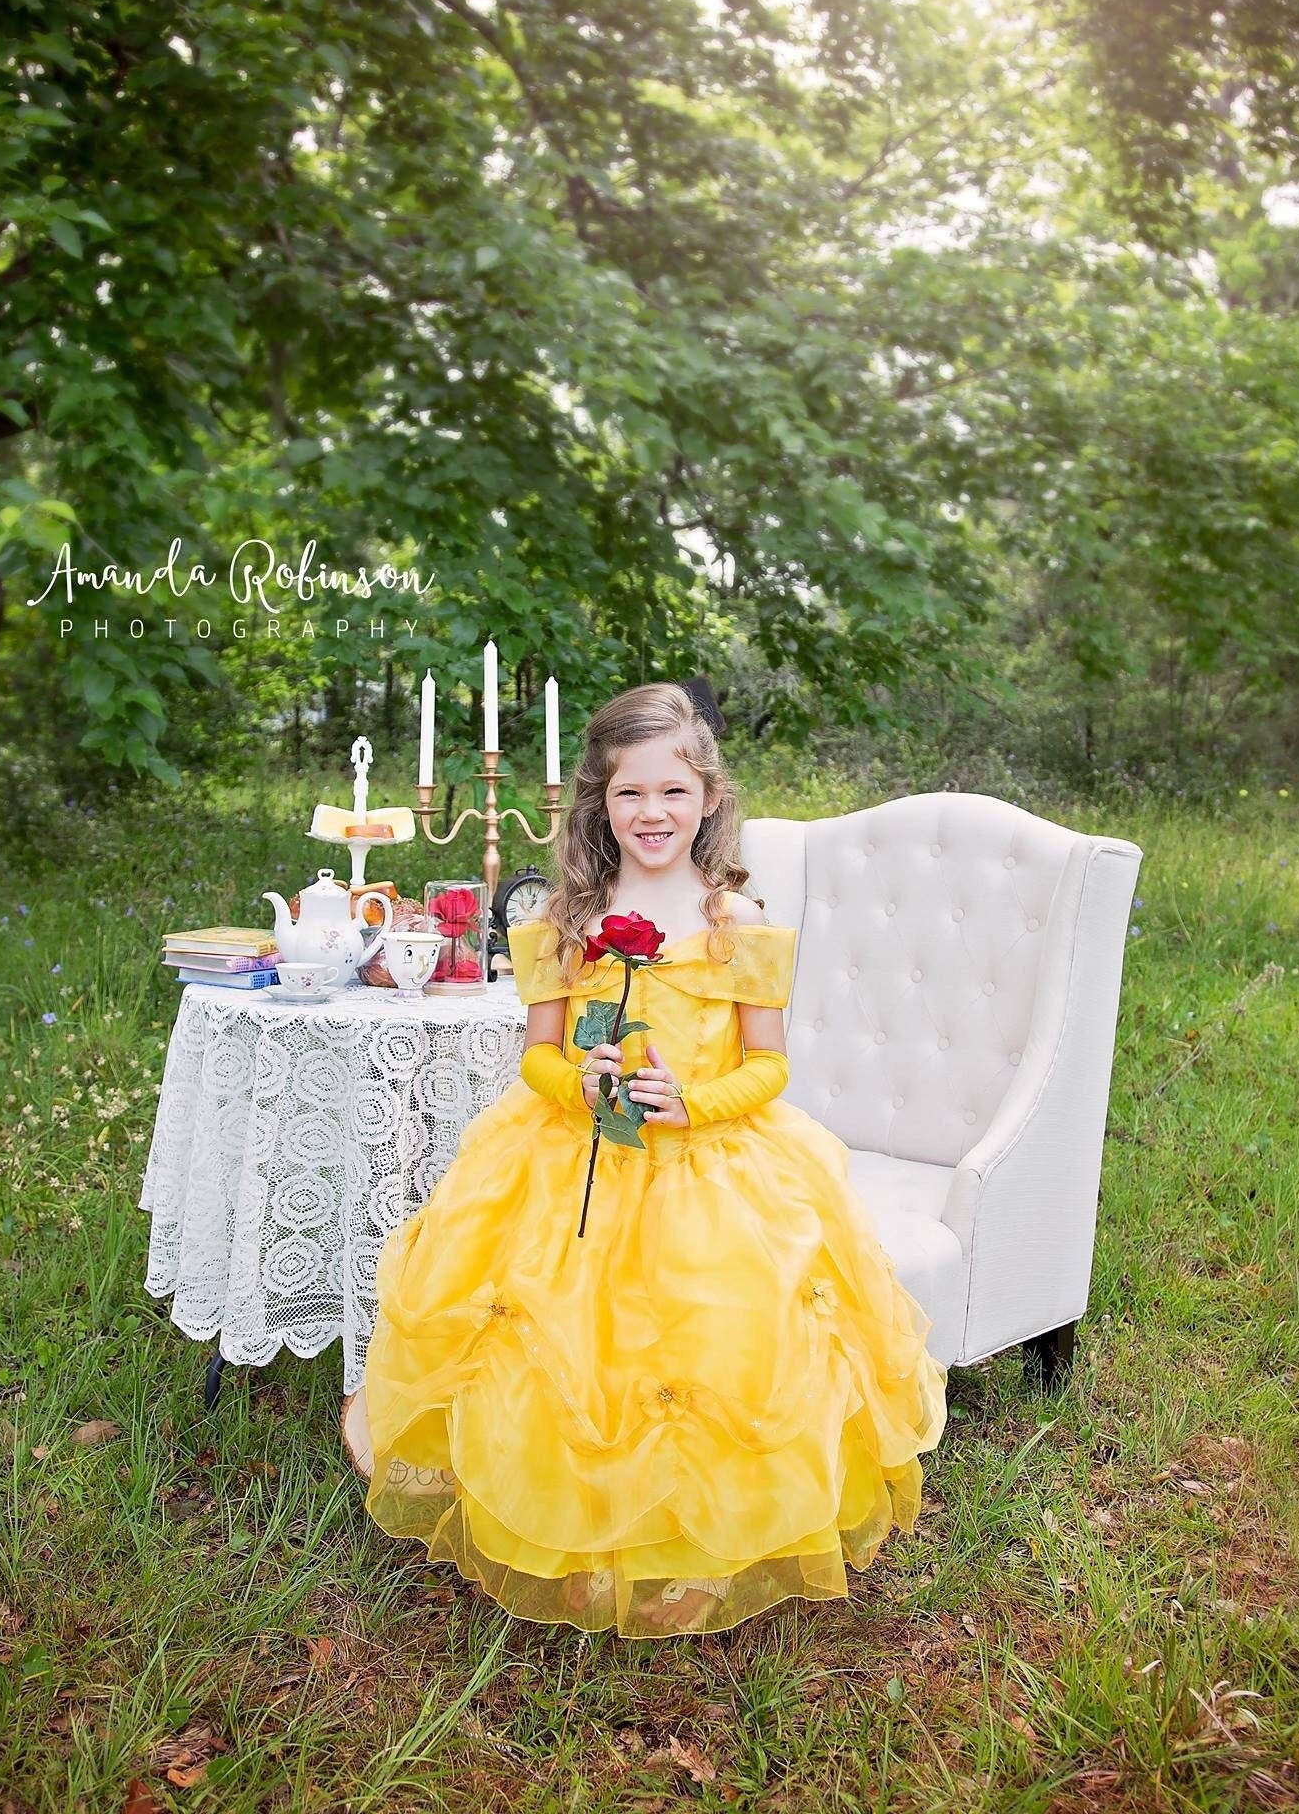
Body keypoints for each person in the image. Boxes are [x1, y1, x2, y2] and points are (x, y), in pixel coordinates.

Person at [342, 682, 949, 1636]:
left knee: (709, 1342)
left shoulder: (737, 923)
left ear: (708, 798)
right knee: (554, 1344)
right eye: (630, 794)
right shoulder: (562, 924)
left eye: (672, 792)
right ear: (601, 804)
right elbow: (536, 1054)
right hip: (569, 1159)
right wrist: (572, 1085)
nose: (651, 814)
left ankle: (694, 1538)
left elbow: (769, 1068)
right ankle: (569, 1527)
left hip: (712, 1166)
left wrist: (690, 1105)